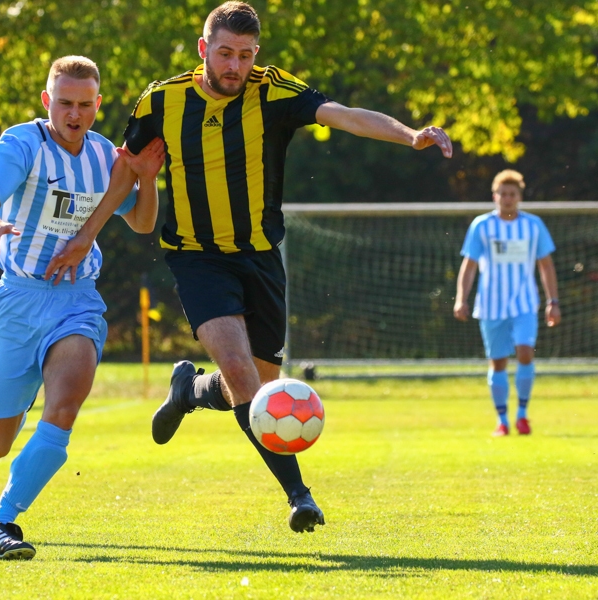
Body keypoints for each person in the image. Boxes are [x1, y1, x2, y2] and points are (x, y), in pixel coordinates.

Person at [45, 1, 453, 534]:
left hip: (261, 257)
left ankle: (190, 392)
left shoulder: (274, 90)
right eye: (225, 53)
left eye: (245, 54)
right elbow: (127, 172)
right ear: (203, 49)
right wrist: (85, 236)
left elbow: (344, 115)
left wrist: (409, 135)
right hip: (197, 256)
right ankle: (300, 495)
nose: (235, 66)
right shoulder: (162, 100)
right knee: (242, 374)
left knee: (258, 387)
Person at [0, 55, 163, 560]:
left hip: (77, 301)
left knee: (67, 405)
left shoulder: (103, 157)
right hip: (16, 299)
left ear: (97, 105)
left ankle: (0, 522)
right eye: (65, 103)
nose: (75, 114)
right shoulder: (21, 146)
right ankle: (27, 385)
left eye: (85, 105)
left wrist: (147, 178)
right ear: (47, 102)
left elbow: (141, 223)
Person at [454, 170, 559, 436]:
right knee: (498, 362)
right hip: (491, 305)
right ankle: (502, 420)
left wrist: (552, 301)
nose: (508, 198)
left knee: (525, 352)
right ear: (495, 196)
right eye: (503, 193)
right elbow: (469, 265)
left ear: (519, 197)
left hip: (524, 303)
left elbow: (545, 265)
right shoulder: (482, 225)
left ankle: (522, 415)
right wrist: (460, 299)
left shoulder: (533, 226)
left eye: (513, 194)